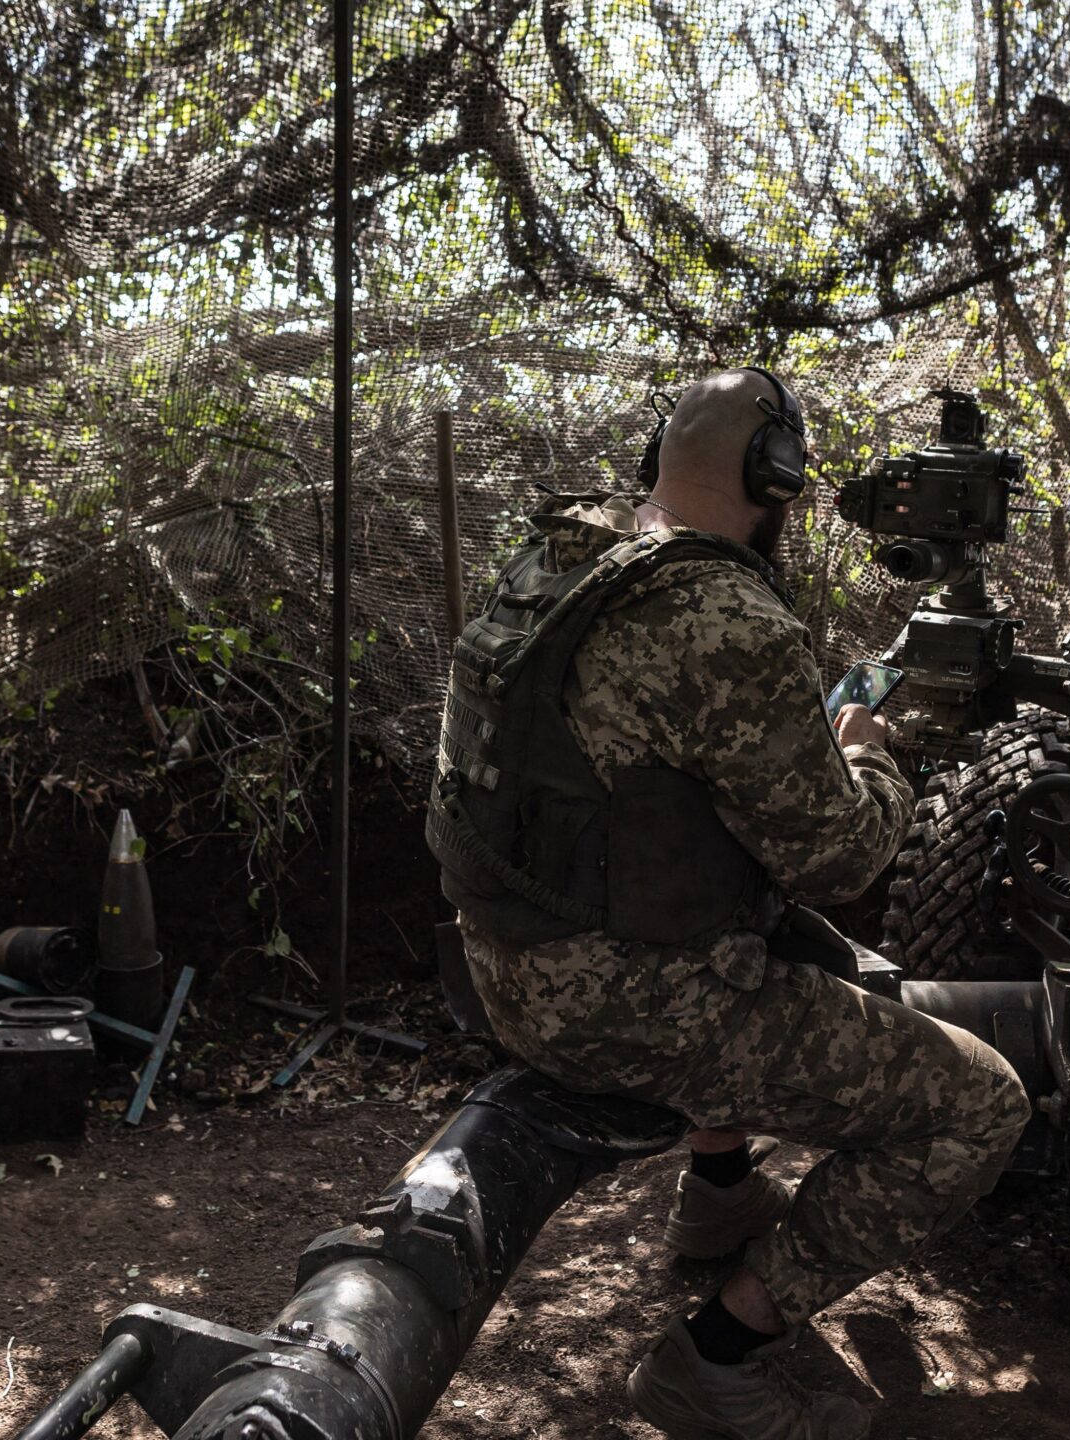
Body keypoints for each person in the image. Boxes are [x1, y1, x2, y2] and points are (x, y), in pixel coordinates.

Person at [429, 368, 1031, 1439]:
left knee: (746, 911)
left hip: (504, 962)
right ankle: (715, 1359)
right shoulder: (724, 617)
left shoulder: (557, 556)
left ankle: (719, 1194)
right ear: (777, 477)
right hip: (627, 1007)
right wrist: (871, 758)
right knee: (981, 1104)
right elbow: (840, 858)